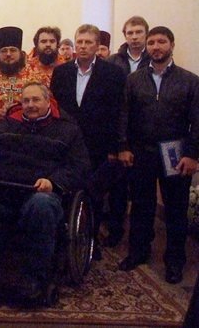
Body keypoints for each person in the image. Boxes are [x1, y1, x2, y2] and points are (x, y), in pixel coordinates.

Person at [0, 82, 90, 300]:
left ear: (48, 101)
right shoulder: (8, 125)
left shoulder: (68, 129)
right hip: (5, 191)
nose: (30, 105)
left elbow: (80, 167)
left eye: (36, 100)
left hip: (42, 194)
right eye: (26, 101)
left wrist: (53, 181)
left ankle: (35, 278)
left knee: (40, 204)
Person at [117, 26, 199, 284]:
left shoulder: (190, 81)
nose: (155, 47)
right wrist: (123, 147)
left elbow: (197, 121)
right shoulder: (134, 80)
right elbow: (124, 116)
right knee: (141, 206)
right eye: (151, 42)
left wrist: (192, 155)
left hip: (175, 153)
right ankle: (138, 252)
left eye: (161, 42)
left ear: (171, 45)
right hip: (141, 151)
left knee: (175, 210)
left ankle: (174, 262)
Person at [51, 24, 126, 260]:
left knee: (94, 194)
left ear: (97, 45)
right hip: (67, 143)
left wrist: (115, 148)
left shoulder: (113, 74)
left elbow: (118, 112)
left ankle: (91, 241)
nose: (83, 46)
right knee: (65, 190)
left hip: (98, 144)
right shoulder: (61, 72)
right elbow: (55, 108)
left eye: (88, 42)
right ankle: (63, 239)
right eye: (80, 42)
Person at [104, 15, 151, 247]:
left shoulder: (154, 59)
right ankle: (115, 232)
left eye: (139, 32)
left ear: (146, 34)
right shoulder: (113, 61)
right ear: (124, 36)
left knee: (142, 192)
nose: (134, 37)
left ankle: (142, 238)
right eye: (130, 33)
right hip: (118, 131)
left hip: (144, 133)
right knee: (117, 189)